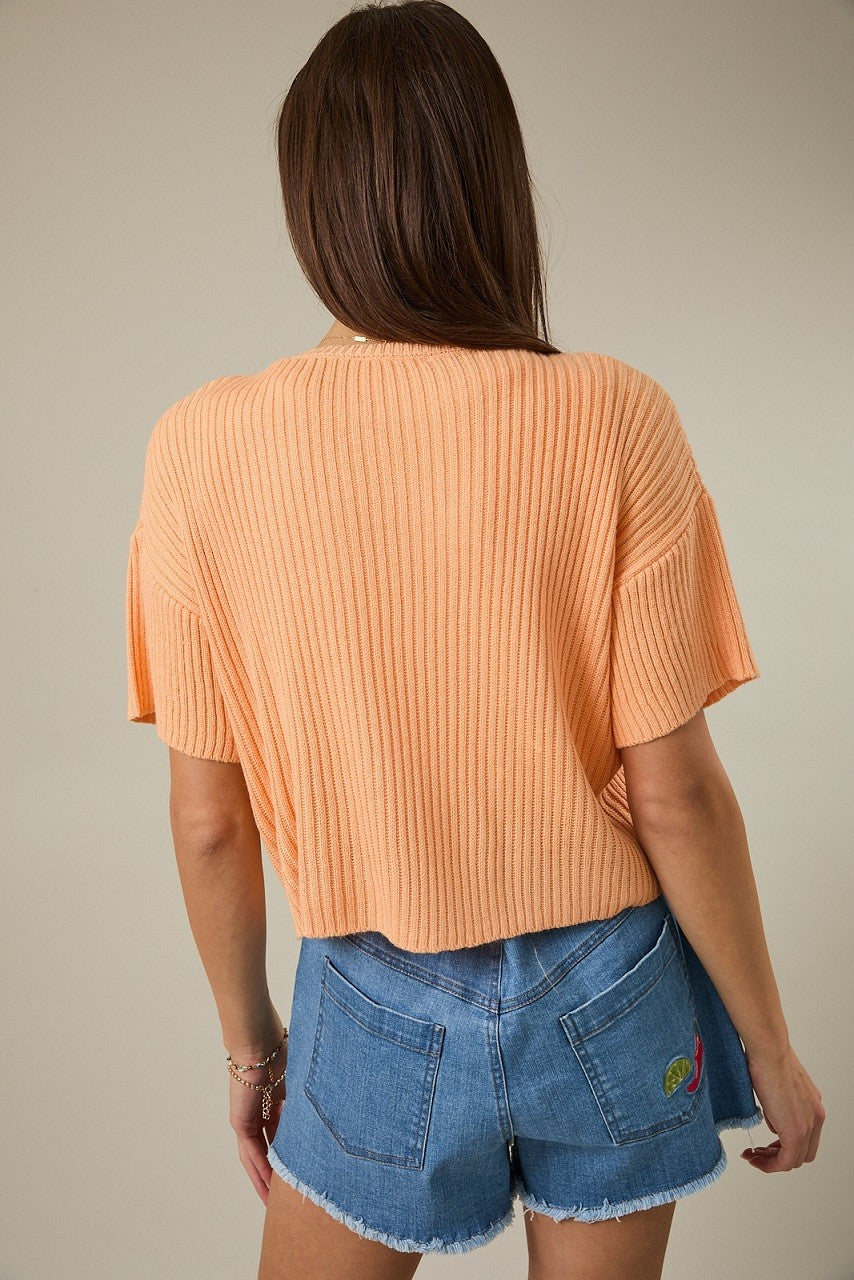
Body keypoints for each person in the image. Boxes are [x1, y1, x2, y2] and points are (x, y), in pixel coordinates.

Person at [124, 3, 825, 1278]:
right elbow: (671, 791)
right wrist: (765, 1043)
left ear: (312, 202)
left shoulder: (200, 445)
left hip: (370, 991)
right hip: (612, 981)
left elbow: (210, 818)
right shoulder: (613, 412)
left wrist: (250, 1046)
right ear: (491, 181)